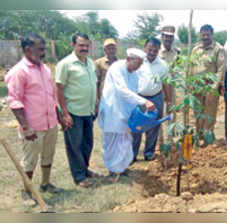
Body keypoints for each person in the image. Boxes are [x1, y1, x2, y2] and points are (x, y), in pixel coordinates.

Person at [5, 33, 63, 204]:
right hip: (33, 126)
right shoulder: (19, 72)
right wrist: (26, 126)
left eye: (44, 48)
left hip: (50, 123)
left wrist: (59, 117)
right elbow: (14, 100)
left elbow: (51, 96)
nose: (43, 52)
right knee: (30, 160)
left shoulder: (44, 69)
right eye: (40, 49)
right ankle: (27, 192)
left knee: (48, 155)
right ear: (27, 50)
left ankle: (45, 183)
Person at [98, 48, 155, 182]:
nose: (139, 67)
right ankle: (112, 170)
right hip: (113, 109)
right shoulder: (116, 68)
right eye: (138, 63)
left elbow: (134, 92)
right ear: (129, 59)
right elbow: (122, 90)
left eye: (141, 64)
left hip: (126, 111)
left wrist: (139, 108)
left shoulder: (135, 74)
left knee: (125, 140)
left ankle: (122, 167)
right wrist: (144, 101)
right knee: (112, 140)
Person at [55, 33, 100, 188]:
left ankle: (85, 169)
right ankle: (79, 176)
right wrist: (65, 113)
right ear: (73, 45)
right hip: (73, 111)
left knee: (88, 143)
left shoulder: (90, 63)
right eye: (81, 45)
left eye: (87, 45)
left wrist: (95, 104)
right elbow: (59, 89)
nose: (84, 48)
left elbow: (94, 84)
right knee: (75, 145)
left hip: (88, 111)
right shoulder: (65, 64)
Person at [131, 37, 168, 162]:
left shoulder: (163, 65)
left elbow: (167, 83)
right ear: (145, 48)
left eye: (155, 50)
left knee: (153, 126)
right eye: (150, 49)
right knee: (137, 126)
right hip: (140, 98)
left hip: (156, 97)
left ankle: (149, 153)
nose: (152, 52)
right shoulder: (139, 62)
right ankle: (132, 154)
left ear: (158, 51)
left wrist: (168, 100)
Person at [191, 24, 226, 147]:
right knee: (198, 112)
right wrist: (190, 83)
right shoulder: (196, 49)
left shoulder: (218, 49)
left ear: (212, 35)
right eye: (203, 34)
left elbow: (221, 69)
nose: (205, 37)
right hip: (196, 85)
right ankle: (199, 135)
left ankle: (208, 136)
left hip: (210, 85)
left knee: (210, 112)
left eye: (208, 34)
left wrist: (215, 86)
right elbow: (191, 66)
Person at [158, 26, 180, 146]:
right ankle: (159, 142)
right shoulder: (156, 51)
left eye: (170, 36)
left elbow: (177, 68)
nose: (168, 38)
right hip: (158, 87)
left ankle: (170, 139)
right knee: (158, 114)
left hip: (171, 86)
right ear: (162, 37)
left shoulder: (177, 52)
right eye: (165, 36)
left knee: (172, 114)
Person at [95, 38, 118, 102]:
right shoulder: (98, 62)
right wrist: (97, 99)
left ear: (116, 49)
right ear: (104, 50)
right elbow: (96, 82)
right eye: (109, 48)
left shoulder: (119, 63)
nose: (111, 51)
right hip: (103, 97)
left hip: (116, 97)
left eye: (113, 48)